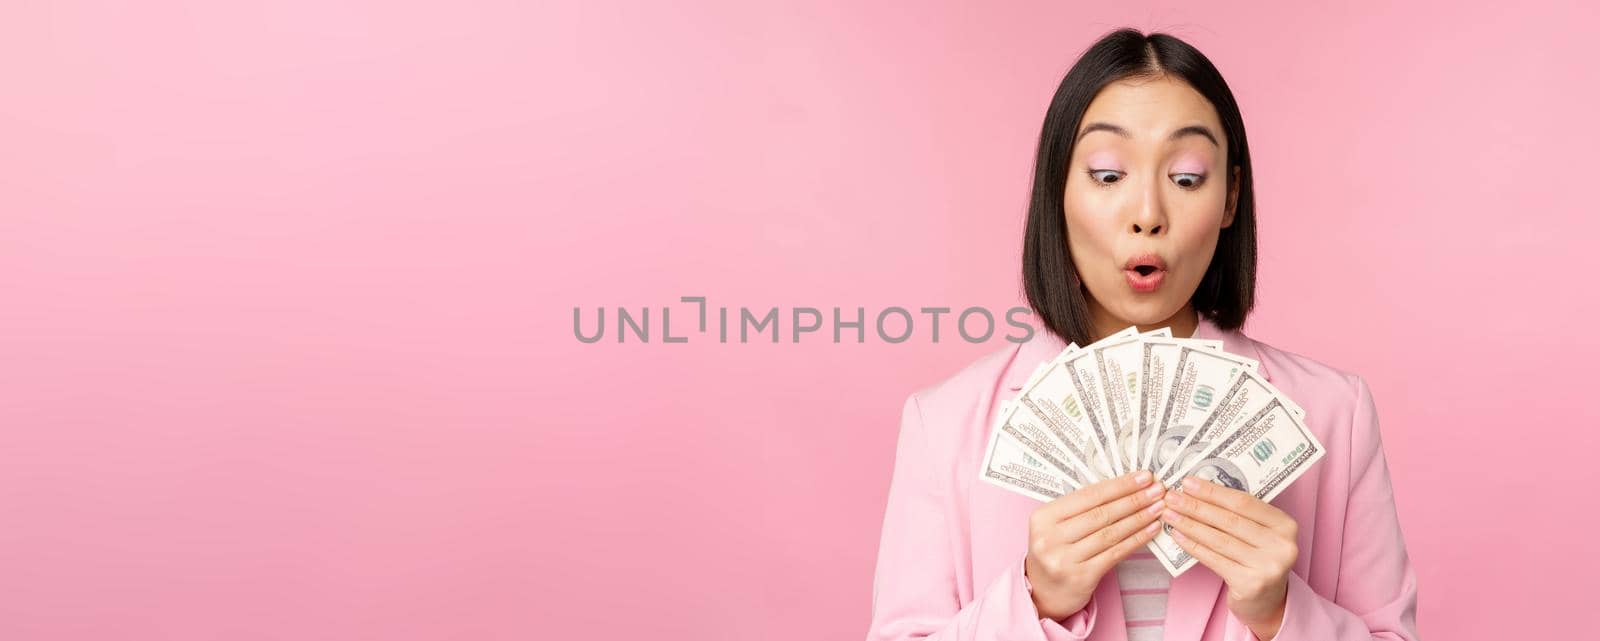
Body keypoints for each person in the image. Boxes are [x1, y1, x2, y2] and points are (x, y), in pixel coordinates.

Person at [864, 28, 1419, 641]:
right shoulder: (943, 425)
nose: (1148, 213)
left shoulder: (1335, 415)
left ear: (1230, 197)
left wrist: (1281, 614)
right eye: (1107, 175)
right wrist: (1033, 603)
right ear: (1059, 191)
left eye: (1186, 177)